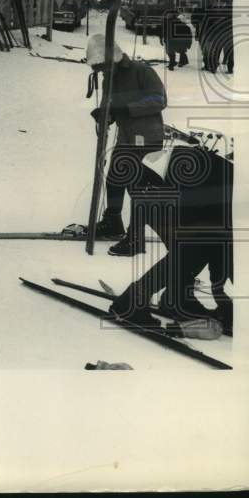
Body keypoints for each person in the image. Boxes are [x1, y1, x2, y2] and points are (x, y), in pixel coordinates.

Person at [109, 143, 233, 335]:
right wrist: (225, 303)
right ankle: (130, 302)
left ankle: (176, 299)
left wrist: (224, 302)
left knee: (199, 244)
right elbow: (224, 256)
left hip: (173, 181)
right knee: (194, 247)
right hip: (156, 178)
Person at [85, 33, 167, 257]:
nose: (101, 71)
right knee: (115, 179)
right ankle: (113, 221)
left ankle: (136, 238)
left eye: (103, 65)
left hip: (147, 138)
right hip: (126, 137)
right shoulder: (109, 78)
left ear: (113, 58)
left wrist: (125, 109)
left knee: (138, 189)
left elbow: (159, 101)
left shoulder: (141, 71)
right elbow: (111, 105)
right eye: (98, 68)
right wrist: (105, 115)